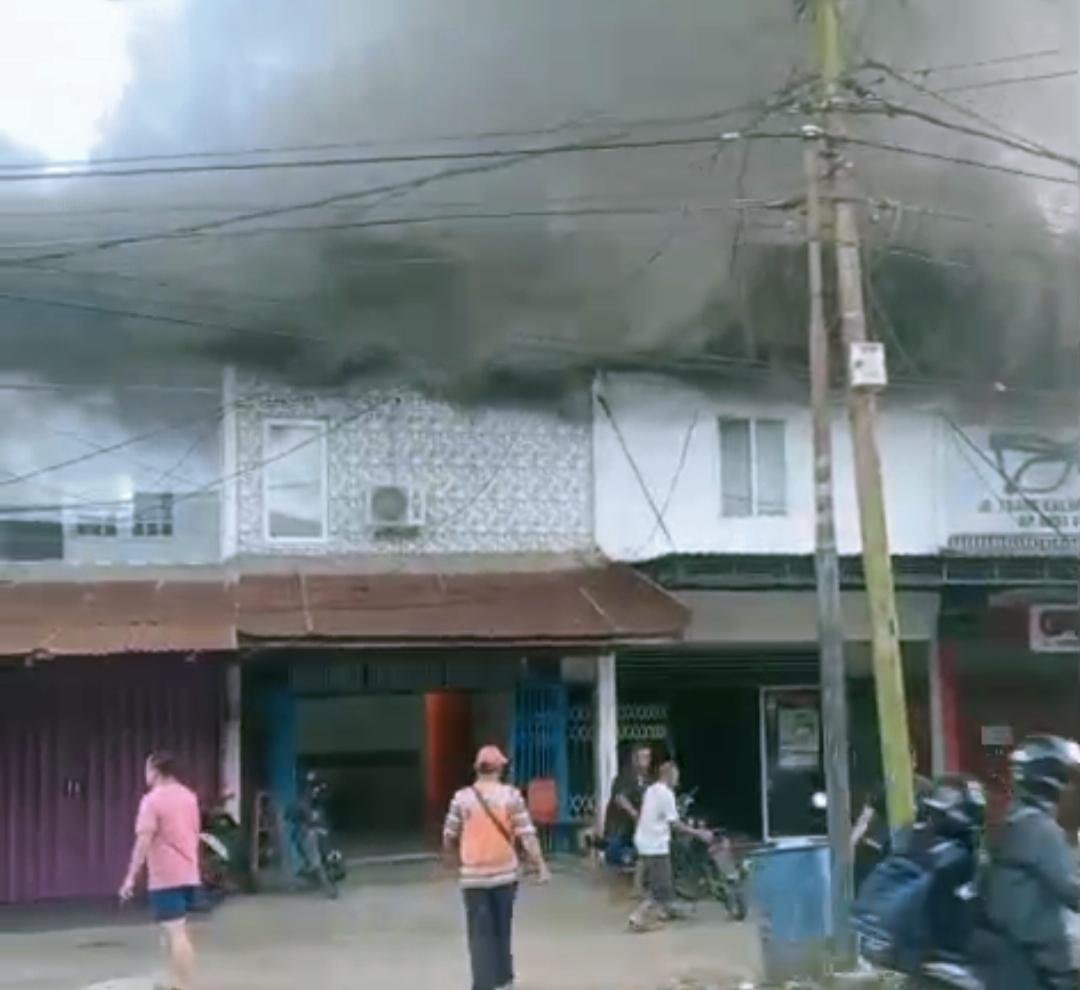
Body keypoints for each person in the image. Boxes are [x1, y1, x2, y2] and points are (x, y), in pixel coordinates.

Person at [975, 734, 1080, 990]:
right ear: (1054, 781)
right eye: (1069, 780)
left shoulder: (1014, 820)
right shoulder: (1040, 829)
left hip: (1006, 944)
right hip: (1036, 955)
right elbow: (1071, 890)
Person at [443, 744, 551, 990]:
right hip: (505, 876)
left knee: (480, 935)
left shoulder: (462, 798)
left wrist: (450, 861)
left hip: (473, 878)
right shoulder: (511, 796)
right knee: (503, 929)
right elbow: (527, 834)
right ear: (500, 768)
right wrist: (541, 866)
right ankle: (504, 980)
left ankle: (483, 984)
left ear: (477, 769)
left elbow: (449, 834)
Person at [119, 751, 201, 990]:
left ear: (156, 771)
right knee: (175, 931)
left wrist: (130, 878)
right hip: (188, 871)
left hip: (166, 876)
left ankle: (184, 985)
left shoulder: (152, 800)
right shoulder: (189, 796)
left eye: (147, 769)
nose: (145, 774)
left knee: (176, 933)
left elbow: (143, 840)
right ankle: (174, 981)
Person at [628, 761, 711, 932]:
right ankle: (638, 916)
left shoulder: (651, 789)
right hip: (655, 844)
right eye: (676, 777)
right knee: (661, 886)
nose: (677, 780)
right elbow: (675, 824)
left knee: (657, 880)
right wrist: (698, 833)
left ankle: (662, 911)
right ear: (669, 775)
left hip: (644, 840)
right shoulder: (666, 794)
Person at [603, 745, 652, 869]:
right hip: (619, 831)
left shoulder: (647, 780)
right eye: (644, 757)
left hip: (637, 832)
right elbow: (620, 798)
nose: (647, 760)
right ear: (634, 759)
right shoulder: (624, 778)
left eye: (648, 757)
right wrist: (635, 814)